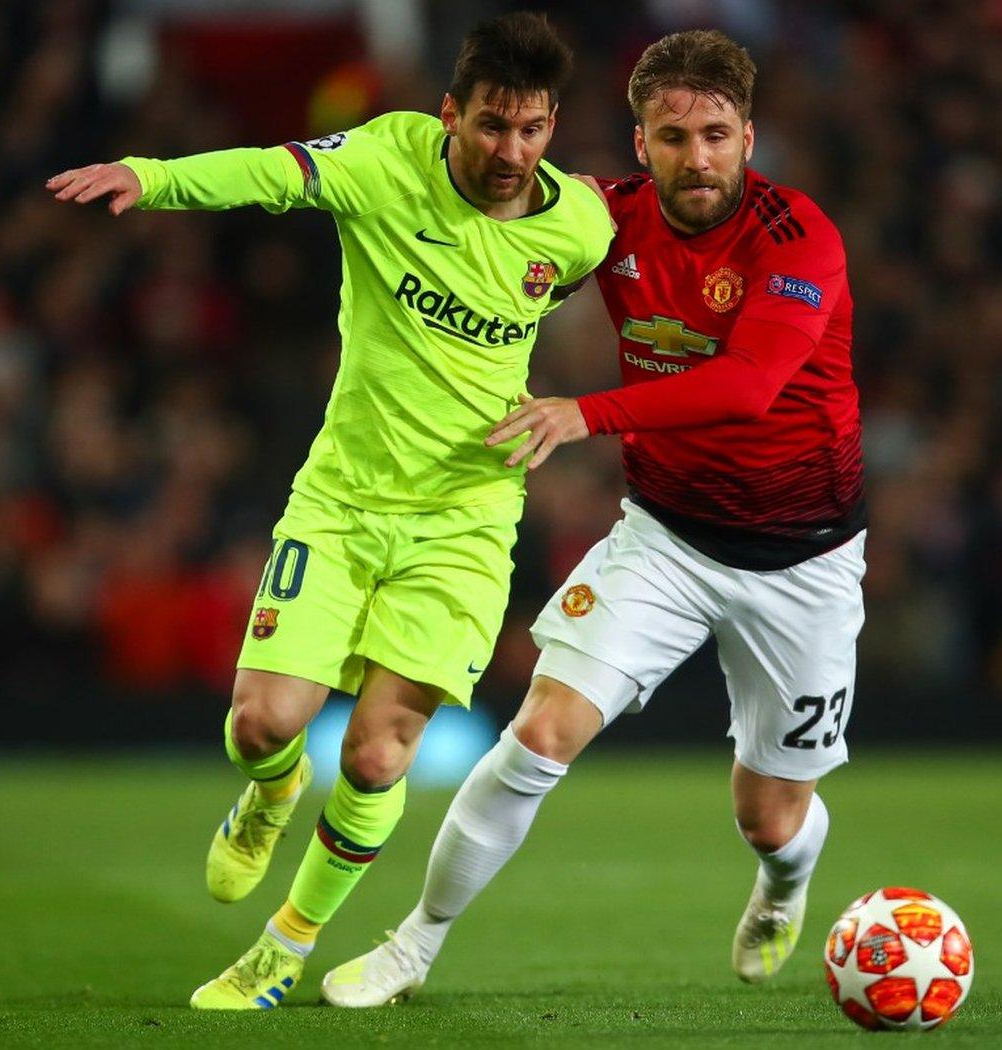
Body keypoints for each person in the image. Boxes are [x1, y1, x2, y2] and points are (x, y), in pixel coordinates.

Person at [44, 12, 613, 1010]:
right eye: (490, 126)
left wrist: (596, 414)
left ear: (552, 124)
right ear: (451, 114)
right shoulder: (385, 158)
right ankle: (269, 796)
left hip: (468, 522)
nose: (509, 151)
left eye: (529, 130)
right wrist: (156, 175)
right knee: (264, 723)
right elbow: (271, 173)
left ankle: (284, 949)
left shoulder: (582, 227)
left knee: (379, 748)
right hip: (342, 503)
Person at [321, 29, 865, 1006]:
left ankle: (786, 883)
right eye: (672, 136)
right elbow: (494, 264)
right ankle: (412, 946)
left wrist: (585, 413)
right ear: (638, 139)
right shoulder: (600, 219)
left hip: (804, 559)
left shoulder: (798, 240)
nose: (696, 158)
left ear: (749, 135)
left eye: (715, 135)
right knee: (539, 734)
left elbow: (748, 388)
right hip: (665, 536)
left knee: (771, 819)